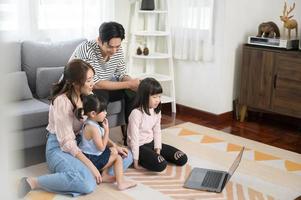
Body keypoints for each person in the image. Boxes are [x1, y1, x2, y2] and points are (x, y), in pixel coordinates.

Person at [17, 59, 132, 198]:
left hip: (83, 145)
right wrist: (90, 165)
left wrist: (114, 145)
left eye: (92, 79)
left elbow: (95, 127)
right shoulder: (62, 102)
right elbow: (67, 143)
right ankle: (33, 182)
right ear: (76, 83)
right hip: (60, 148)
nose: (93, 83)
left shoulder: (88, 96)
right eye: (89, 80)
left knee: (126, 156)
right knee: (87, 184)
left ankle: (90, 173)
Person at [70, 21, 140, 143]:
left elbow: (121, 74)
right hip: (83, 88)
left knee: (132, 92)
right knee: (101, 97)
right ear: (99, 40)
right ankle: (99, 140)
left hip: (101, 87)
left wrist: (134, 83)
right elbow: (95, 84)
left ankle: (131, 137)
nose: (114, 51)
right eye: (110, 46)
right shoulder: (86, 49)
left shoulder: (118, 50)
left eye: (117, 46)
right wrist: (129, 84)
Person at [127, 78, 188, 172]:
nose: (158, 100)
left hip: (151, 142)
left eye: (159, 97)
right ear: (144, 96)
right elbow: (134, 139)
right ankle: (147, 158)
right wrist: (135, 161)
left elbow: (157, 131)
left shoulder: (156, 111)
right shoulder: (136, 113)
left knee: (182, 158)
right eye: (154, 97)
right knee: (161, 165)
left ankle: (154, 156)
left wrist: (158, 150)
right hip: (139, 146)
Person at [78, 94, 136, 190]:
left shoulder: (91, 123)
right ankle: (121, 183)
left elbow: (101, 145)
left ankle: (104, 175)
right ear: (93, 114)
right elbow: (101, 147)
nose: (106, 113)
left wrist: (114, 147)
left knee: (113, 150)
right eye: (103, 111)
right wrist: (107, 131)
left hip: (92, 155)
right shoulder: (93, 128)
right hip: (92, 159)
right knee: (117, 158)